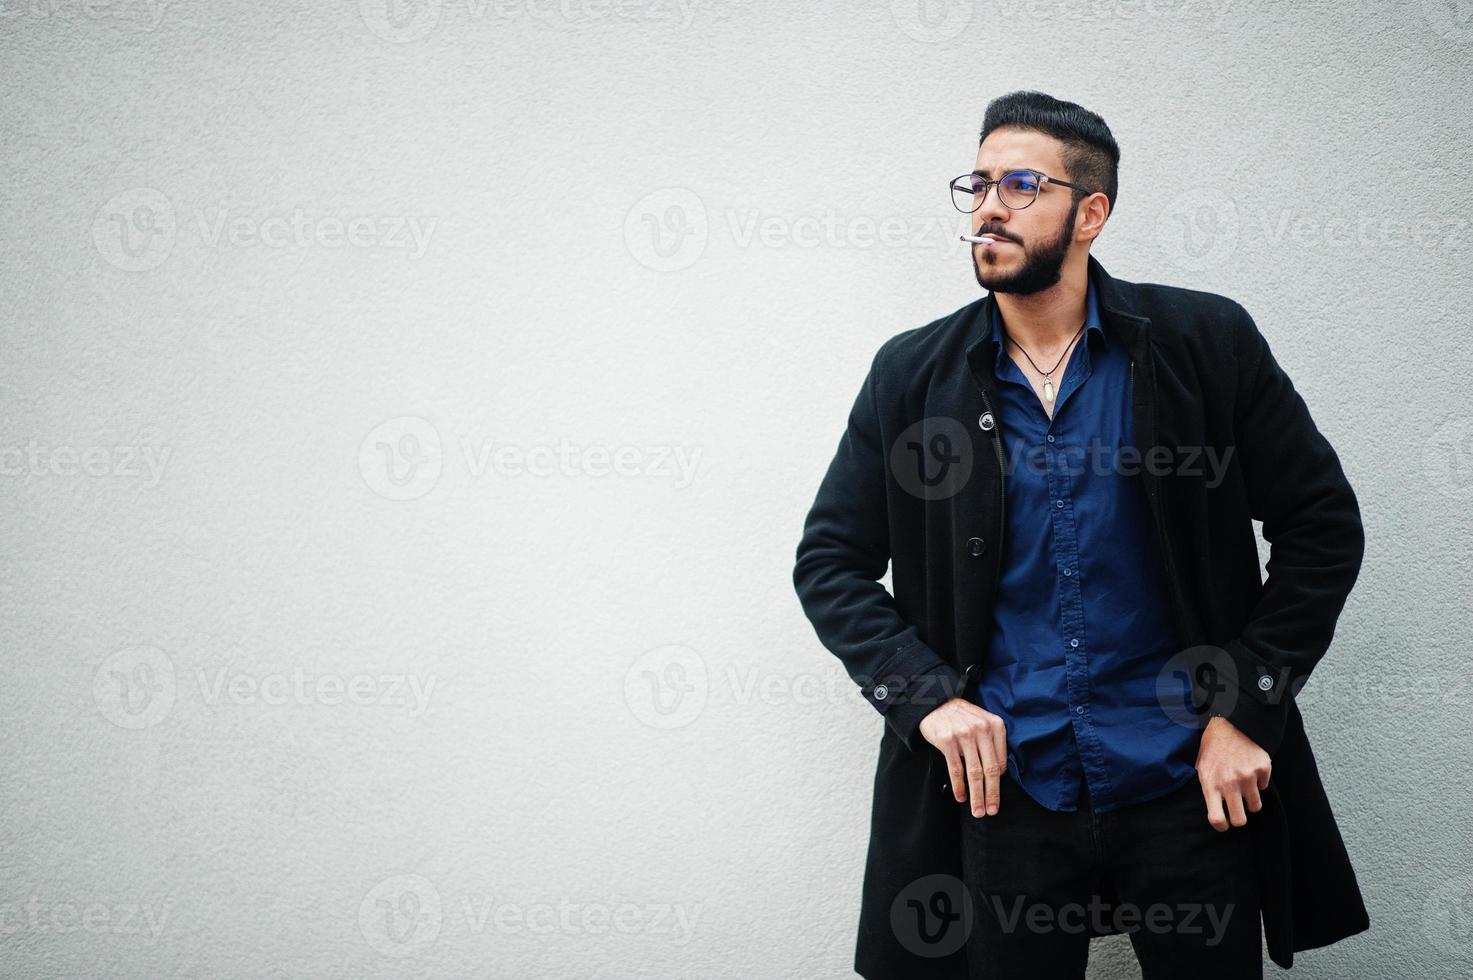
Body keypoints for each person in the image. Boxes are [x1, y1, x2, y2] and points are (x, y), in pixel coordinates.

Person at [792, 90, 1368, 979]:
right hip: (1004, 797)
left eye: (1021, 185)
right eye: (977, 183)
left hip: (1187, 783)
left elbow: (1320, 526)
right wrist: (927, 700)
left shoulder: (1203, 343)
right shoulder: (912, 375)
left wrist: (1248, 711)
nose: (988, 205)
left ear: (1090, 212)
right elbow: (830, 561)